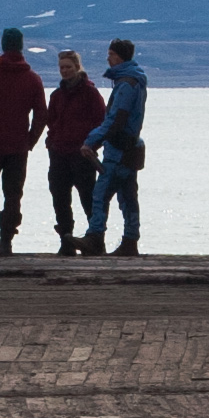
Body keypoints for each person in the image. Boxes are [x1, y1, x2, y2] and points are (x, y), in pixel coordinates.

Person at [0, 28, 43, 253]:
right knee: (13, 196)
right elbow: (42, 116)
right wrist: (29, 141)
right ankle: (6, 242)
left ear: (4, 46)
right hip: (17, 149)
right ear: (21, 46)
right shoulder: (32, 79)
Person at [42, 47, 106, 253]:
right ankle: (66, 240)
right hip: (59, 154)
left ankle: (95, 240)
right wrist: (51, 142)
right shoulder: (56, 96)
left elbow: (101, 123)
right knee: (60, 199)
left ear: (77, 67)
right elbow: (51, 121)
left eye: (68, 67)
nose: (64, 71)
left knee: (88, 198)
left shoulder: (90, 93)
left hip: (81, 155)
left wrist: (91, 146)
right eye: (61, 67)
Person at [90, 37, 149, 256]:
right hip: (131, 148)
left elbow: (116, 119)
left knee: (100, 194)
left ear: (120, 57)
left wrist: (92, 140)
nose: (108, 58)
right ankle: (130, 240)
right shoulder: (136, 81)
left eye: (112, 54)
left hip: (118, 149)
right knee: (128, 196)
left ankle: (95, 236)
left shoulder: (126, 84)